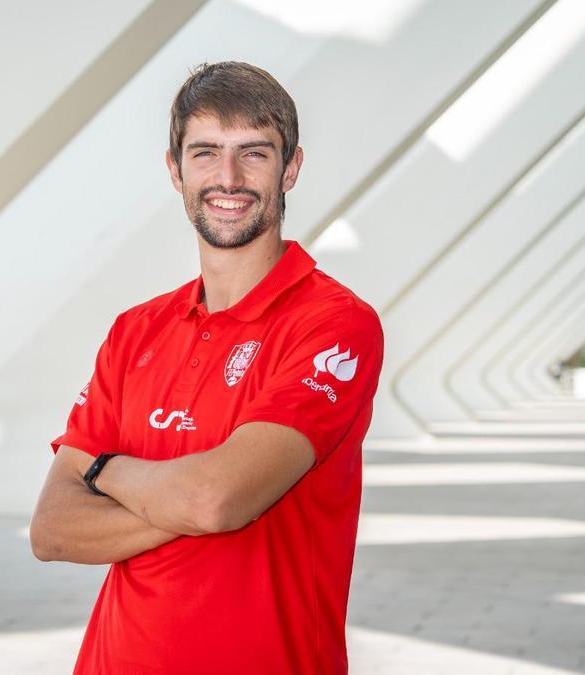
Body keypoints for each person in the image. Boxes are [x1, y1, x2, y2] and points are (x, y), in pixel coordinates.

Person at [29, 60, 384, 674]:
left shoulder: (334, 325)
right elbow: (53, 530)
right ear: (175, 170)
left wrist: (107, 471)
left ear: (291, 168)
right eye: (205, 153)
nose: (228, 177)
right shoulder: (135, 330)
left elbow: (217, 501)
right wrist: (184, 498)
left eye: (254, 153)